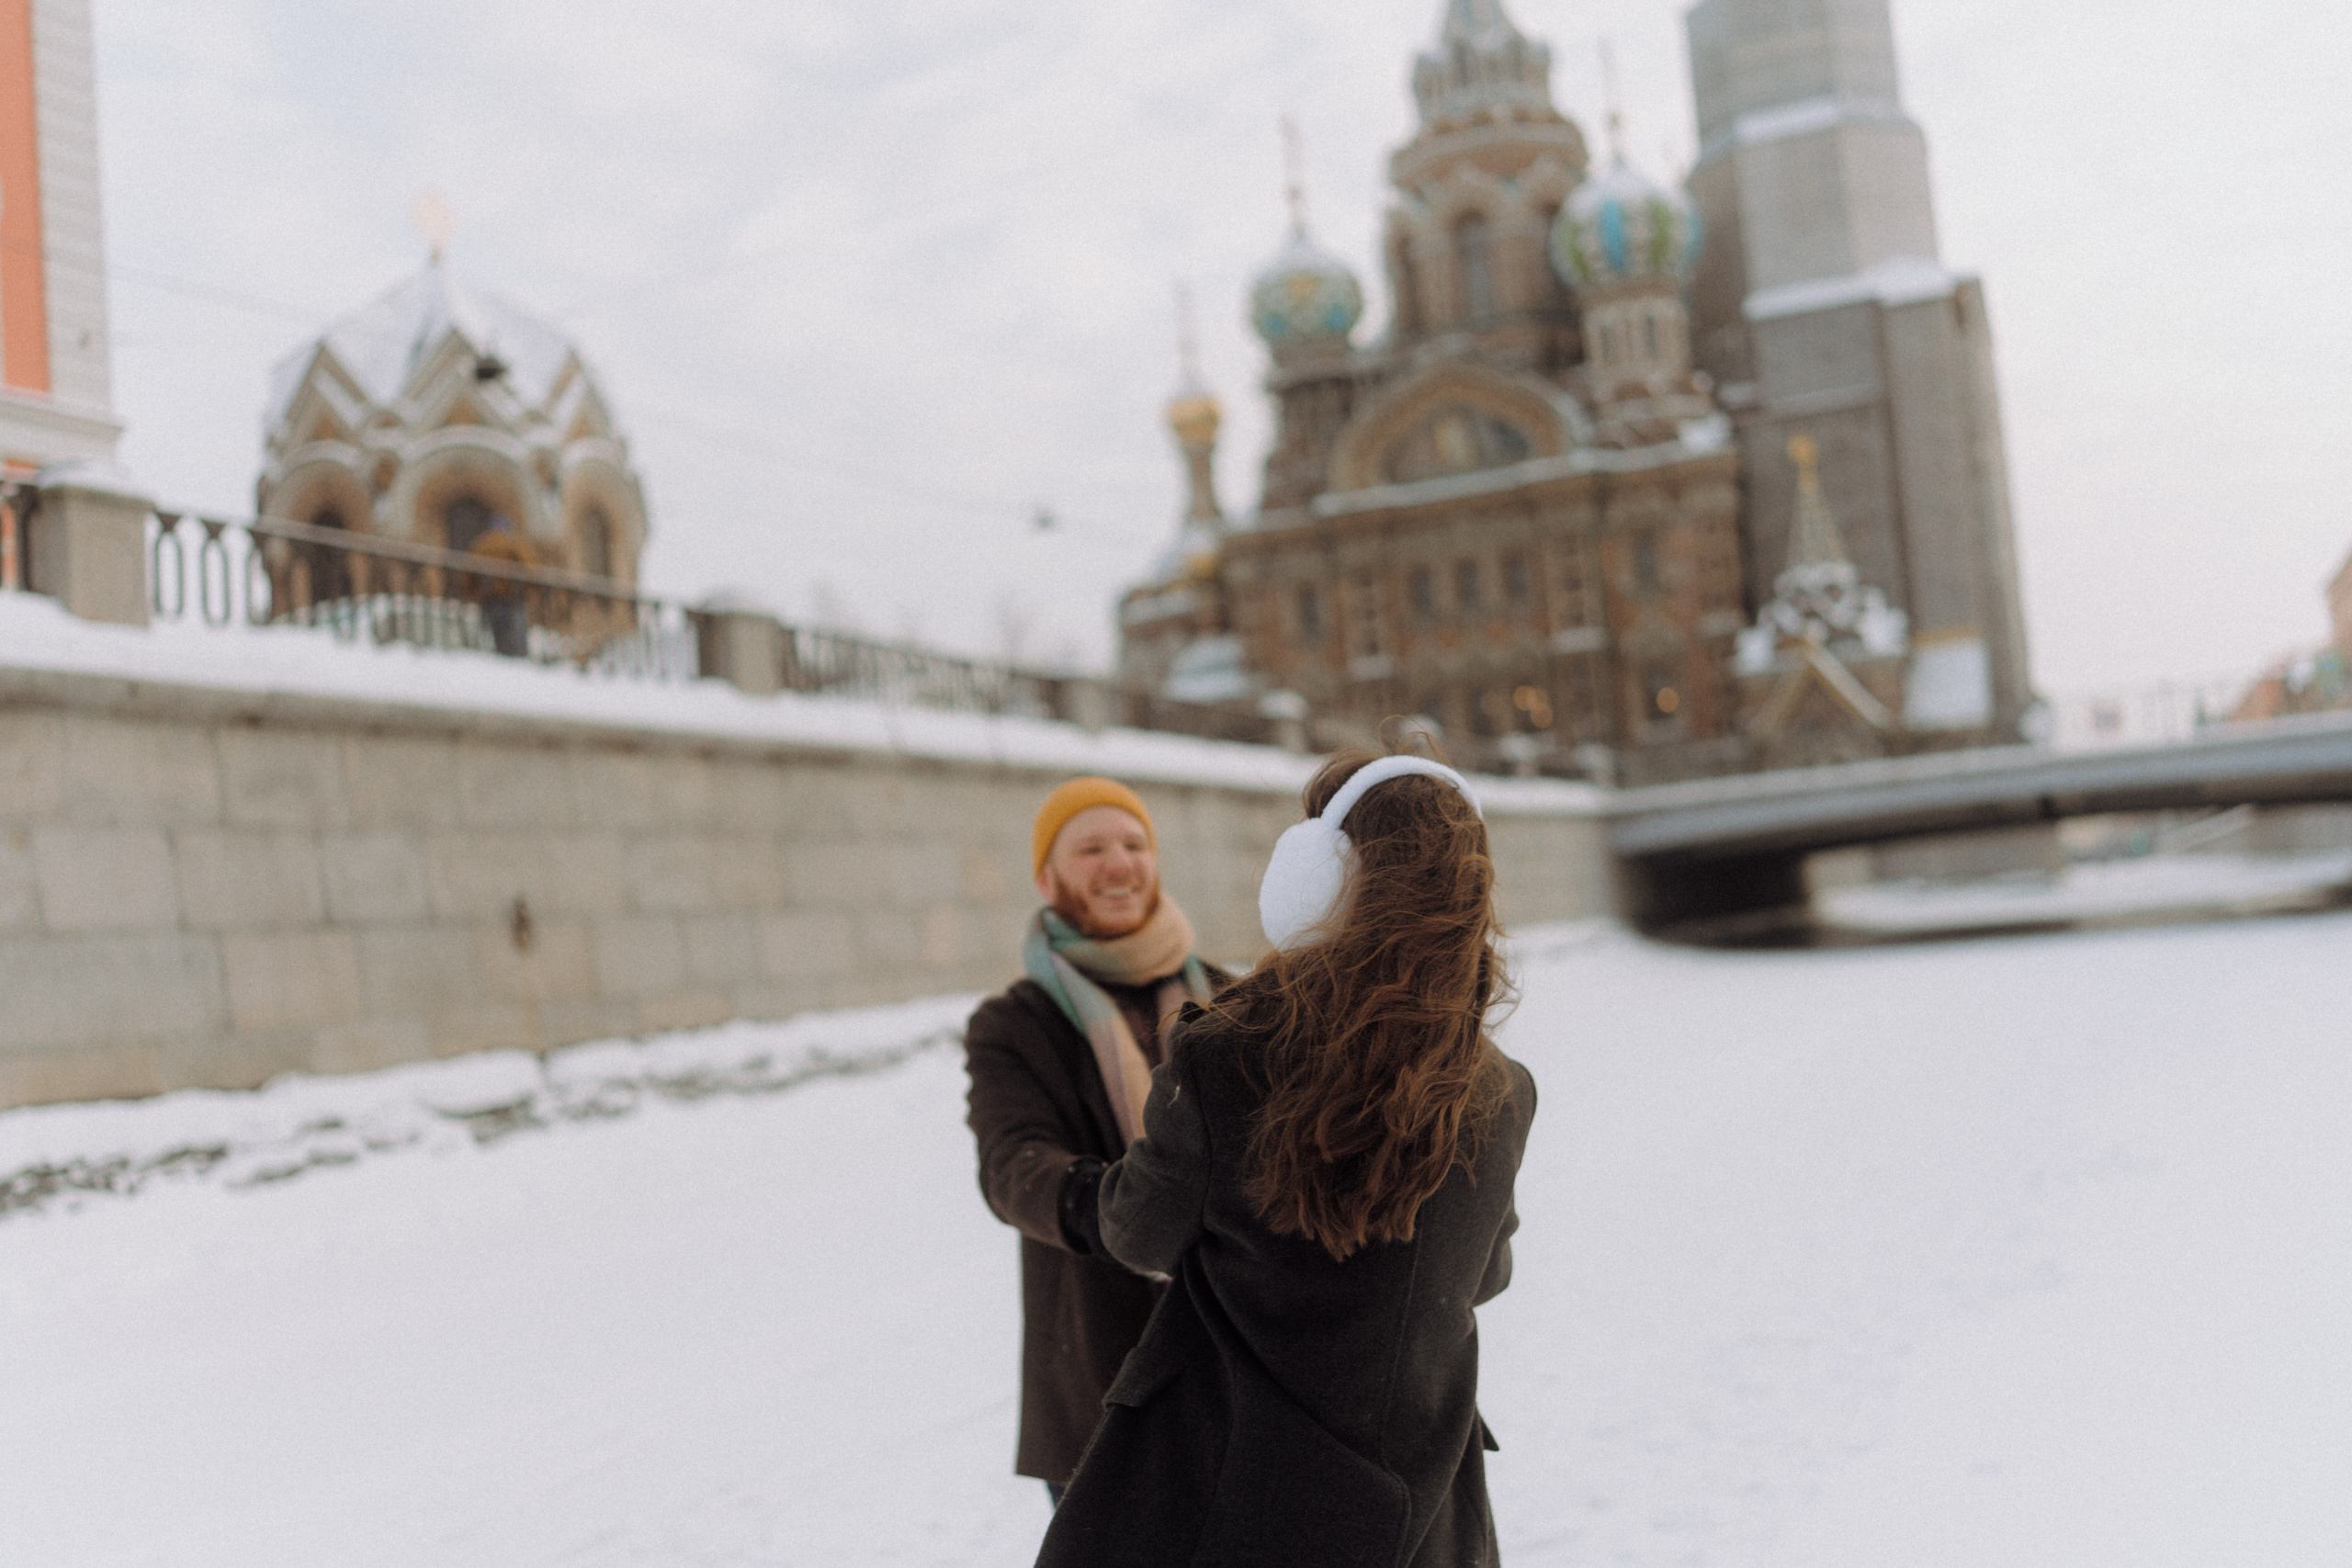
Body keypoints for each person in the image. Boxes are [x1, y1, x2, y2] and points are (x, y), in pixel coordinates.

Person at [1037, 750, 1537, 1568]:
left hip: (1239, 1505)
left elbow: (1138, 1231)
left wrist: (1085, 1187)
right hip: (1420, 1525)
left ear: (1317, 879)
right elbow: (1483, 1274)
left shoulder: (1225, 1056)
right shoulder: (1502, 1091)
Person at [963, 776, 1226, 1506]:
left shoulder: (1231, 999)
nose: (1118, 863)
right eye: (1090, 848)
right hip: (1101, 1378)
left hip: (1238, 1359)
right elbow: (1012, 1163)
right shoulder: (1015, 1024)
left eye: (1134, 844)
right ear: (1047, 878)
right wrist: (1125, 1210)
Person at [467, 514, 537, 658]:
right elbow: (531, 568)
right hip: (512, 600)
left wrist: (470, 593)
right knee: (515, 644)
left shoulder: (481, 545)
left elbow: (468, 573)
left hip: (488, 600)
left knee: (491, 641)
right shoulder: (514, 544)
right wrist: (530, 589)